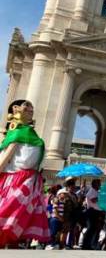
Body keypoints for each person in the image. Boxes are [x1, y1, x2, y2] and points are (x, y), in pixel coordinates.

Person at [0, 100, 50, 247]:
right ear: (15, 109)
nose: (30, 108)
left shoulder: (30, 132)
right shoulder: (16, 132)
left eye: (31, 107)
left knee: (20, 216)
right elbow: (6, 157)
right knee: (10, 211)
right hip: (17, 179)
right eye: (26, 106)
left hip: (31, 179)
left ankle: (12, 241)